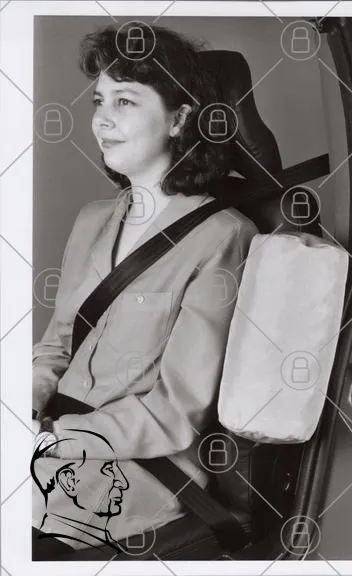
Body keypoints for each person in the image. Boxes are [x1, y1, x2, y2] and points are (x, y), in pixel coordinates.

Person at [32, 23, 258, 556]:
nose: (102, 119)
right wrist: (26, 399)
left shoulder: (225, 236)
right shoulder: (91, 219)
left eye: (126, 101)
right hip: (51, 437)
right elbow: (57, 346)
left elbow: (178, 409)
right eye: (99, 101)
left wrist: (57, 440)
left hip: (136, 468)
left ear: (179, 119)